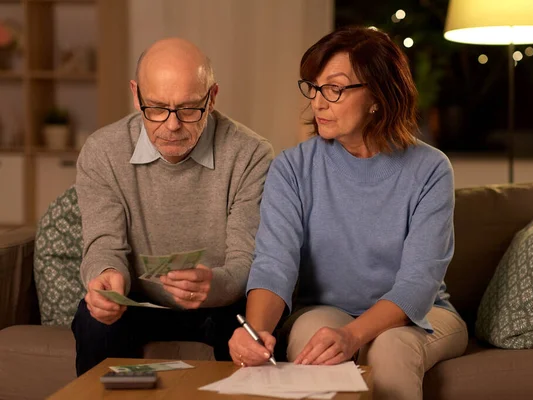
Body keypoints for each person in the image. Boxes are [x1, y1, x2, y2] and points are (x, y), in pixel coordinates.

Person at [228, 27, 468, 399]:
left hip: (420, 314)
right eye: (314, 87)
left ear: (377, 95)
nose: (318, 103)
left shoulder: (431, 169)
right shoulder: (292, 168)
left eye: (335, 89)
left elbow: (418, 285)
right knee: (314, 341)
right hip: (324, 309)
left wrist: (354, 335)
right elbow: (275, 265)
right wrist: (254, 331)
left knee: (390, 348)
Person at [72, 38, 273, 376]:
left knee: (247, 335)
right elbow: (104, 244)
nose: (172, 124)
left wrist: (216, 283)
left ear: (212, 98)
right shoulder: (102, 151)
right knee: (92, 322)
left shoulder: (250, 154)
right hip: (138, 302)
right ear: (136, 95)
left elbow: (246, 261)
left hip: (220, 304)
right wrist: (107, 277)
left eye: (189, 108)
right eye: (157, 107)